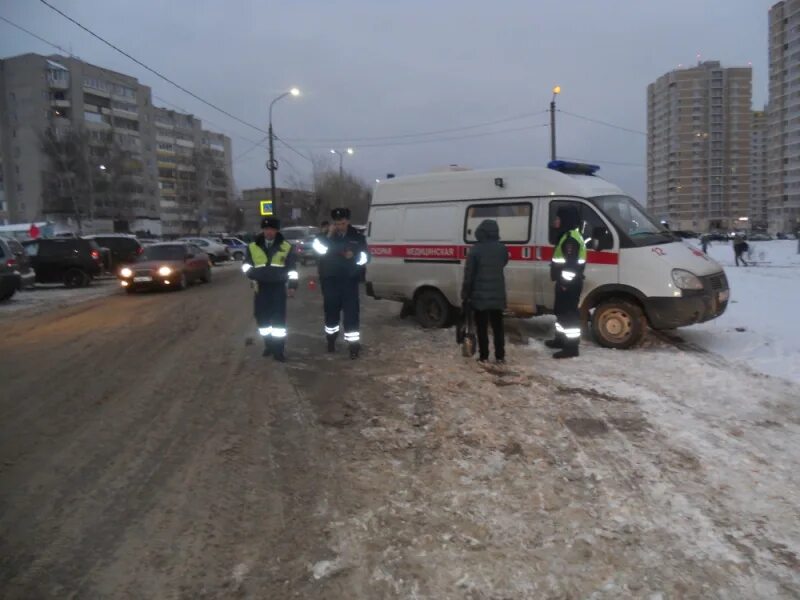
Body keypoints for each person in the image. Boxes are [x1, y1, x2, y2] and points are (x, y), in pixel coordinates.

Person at [313, 208, 369, 359]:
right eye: (337, 223)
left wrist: (355, 256)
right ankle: (331, 340)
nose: (340, 226)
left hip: (349, 282)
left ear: (348, 222)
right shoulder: (324, 237)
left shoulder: (356, 237)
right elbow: (319, 251)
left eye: (343, 223)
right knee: (331, 314)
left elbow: (365, 257)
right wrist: (329, 236)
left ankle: (353, 346)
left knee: (351, 314)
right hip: (330, 281)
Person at [241, 217, 298, 362]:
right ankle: (269, 344)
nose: (269, 232)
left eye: (272, 229)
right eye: (266, 229)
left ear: (277, 230)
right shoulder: (252, 246)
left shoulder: (286, 247)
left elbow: (292, 270)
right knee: (262, 319)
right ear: (263, 230)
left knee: (279, 321)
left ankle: (279, 350)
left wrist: (292, 286)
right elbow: (246, 266)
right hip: (260, 288)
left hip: (278, 287)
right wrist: (253, 274)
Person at [460, 219, 508, 364]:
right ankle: (500, 356)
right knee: (498, 327)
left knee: (482, 327)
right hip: (498, 295)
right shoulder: (502, 248)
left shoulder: (475, 249)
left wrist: (465, 294)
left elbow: (469, 275)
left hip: (480, 296)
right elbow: (504, 262)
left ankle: (484, 356)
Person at [545, 205, 587, 359]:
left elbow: (571, 265)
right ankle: (560, 340)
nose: (555, 221)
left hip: (569, 284)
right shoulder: (568, 235)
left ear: (565, 220)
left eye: (558, 218)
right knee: (562, 313)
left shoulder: (570, 239)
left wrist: (564, 283)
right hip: (567, 282)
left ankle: (571, 348)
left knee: (569, 315)